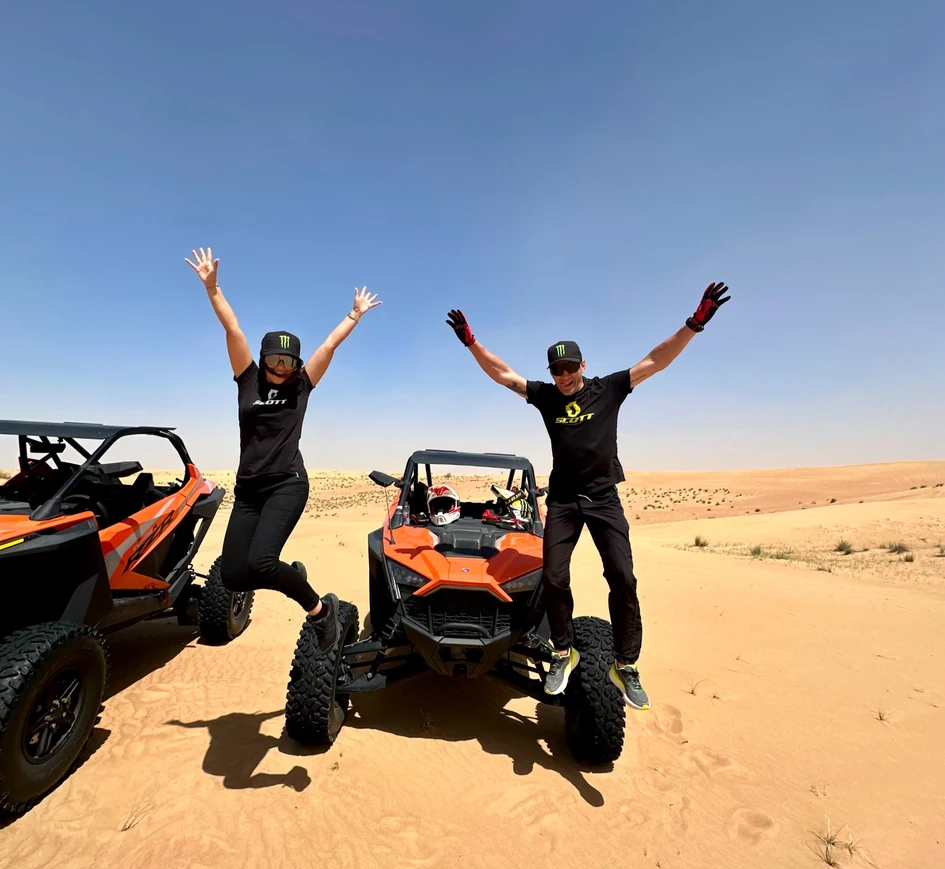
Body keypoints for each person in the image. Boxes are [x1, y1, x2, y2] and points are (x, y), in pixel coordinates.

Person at [445, 282, 731, 709]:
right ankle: (563, 651)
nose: (563, 377)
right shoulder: (545, 397)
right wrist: (472, 343)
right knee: (555, 577)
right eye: (556, 370)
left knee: (623, 577)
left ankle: (626, 665)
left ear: (583, 365)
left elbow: (656, 360)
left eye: (570, 368)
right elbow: (504, 375)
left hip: (603, 498)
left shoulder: (609, 389)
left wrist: (694, 324)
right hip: (562, 500)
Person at [186, 246, 381, 652]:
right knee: (234, 575)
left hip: (286, 484)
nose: (281, 368)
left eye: (289, 362)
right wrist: (212, 288)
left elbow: (328, 347)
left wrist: (354, 315)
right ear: (263, 358)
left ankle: (319, 611)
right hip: (249, 490)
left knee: (260, 562)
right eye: (275, 359)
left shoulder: (302, 385)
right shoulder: (248, 379)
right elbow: (233, 330)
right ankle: (287, 573)